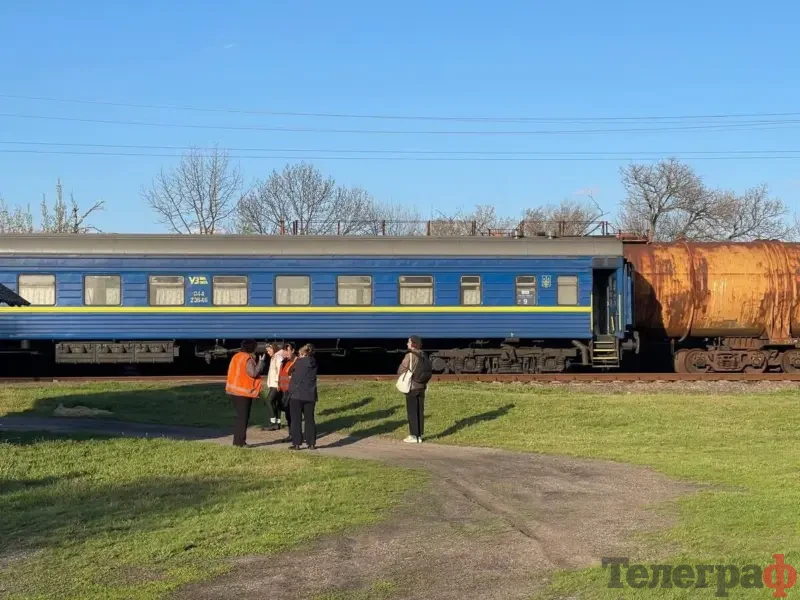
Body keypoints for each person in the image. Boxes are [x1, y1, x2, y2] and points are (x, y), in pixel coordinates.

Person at [225, 339, 267, 447]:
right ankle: (240, 442)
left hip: (234, 391)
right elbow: (253, 373)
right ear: (251, 347)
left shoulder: (236, 356)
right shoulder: (247, 358)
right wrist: (261, 363)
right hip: (244, 393)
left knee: (240, 417)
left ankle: (237, 441)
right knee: (243, 418)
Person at [397, 335, 431, 443]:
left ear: (413, 344)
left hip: (412, 387)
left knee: (412, 412)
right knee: (420, 411)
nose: (407, 343)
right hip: (422, 387)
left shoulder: (410, 355)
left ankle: (413, 435)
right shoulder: (423, 354)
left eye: (409, 341)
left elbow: (401, 369)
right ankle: (419, 436)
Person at [287, 344, 319, 450]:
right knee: (310, 420)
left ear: (303, 353)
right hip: (310, 395)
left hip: (296, 395)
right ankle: (311, 443)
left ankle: (297, 443)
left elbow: (289, 371)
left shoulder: (298, 362)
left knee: (296, 420)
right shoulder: (314, 363)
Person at [262, 343, 284, 430]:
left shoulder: (278, 357)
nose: (268, 352)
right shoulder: (274, 357)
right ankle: (278, 423)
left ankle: (273, 422)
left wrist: (278, 383)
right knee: (275, 403)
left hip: (276, 384)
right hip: (274, 384)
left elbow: (279, 370)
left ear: (274, 349)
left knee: (268, 401)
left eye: (269, 350)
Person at [278, 343, 298, 438]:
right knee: (288, 415)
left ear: (293, 350)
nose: (286, 353)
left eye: (288, 350)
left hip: (293, 392)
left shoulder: (297, 362)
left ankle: (296, 435)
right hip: (284, 392)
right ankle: (291, 434)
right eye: (284, 351)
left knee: (293, 415)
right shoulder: (284, 362)